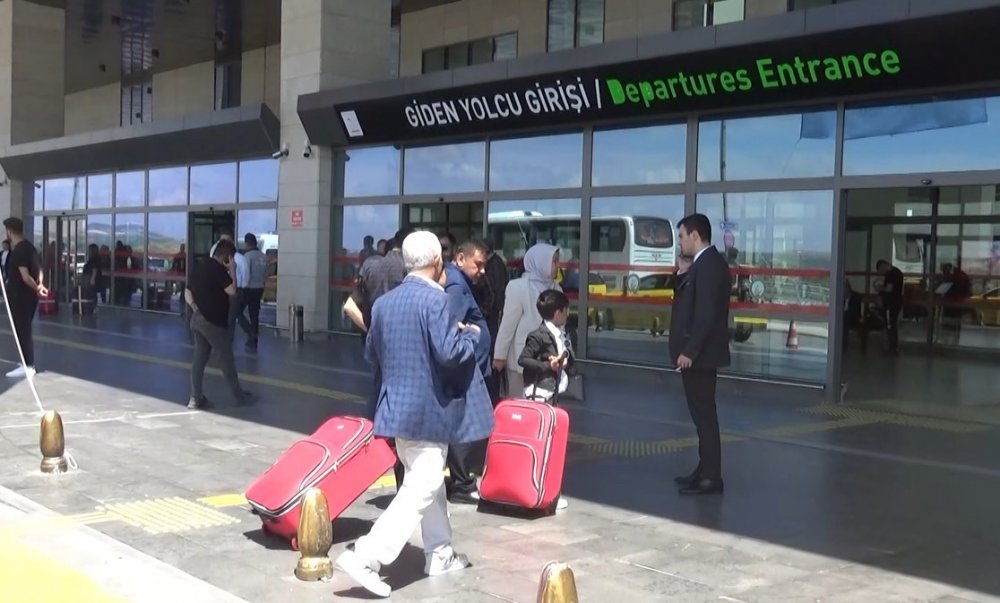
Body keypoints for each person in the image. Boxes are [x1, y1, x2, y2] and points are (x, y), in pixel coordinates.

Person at [335, 231, 493, 598]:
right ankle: (367, 556)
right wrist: (468, 335)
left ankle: (440, 553)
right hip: (428, 412)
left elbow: (372, 352)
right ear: (437, 262)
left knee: (429, 483)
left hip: (395, 410)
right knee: (421, 486)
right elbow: (450, 354)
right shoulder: (436, 302)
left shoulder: (384, 305)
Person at [669, 213, 730, 496]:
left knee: (705, 417)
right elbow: (688, 301)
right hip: (699, 354)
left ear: (695, 236)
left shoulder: (709, 265)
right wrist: (682, 272)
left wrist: (690, 351)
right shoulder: (701, 264)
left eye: (681, 236)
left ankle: (711, 476)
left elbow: (705, 314)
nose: (679, 241)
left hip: (701, 356)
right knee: (700, 416)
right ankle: (704, 468)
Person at [517, 288, 574, 512]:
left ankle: (545, 490)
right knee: (542, 444)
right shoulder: (538, 335)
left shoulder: (561, 333)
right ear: (558, 312)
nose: (567, 315)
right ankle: (537, 489)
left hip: (552, 393)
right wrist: (546, 366)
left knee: (550, 444)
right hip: (539, 395)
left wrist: (563, 359)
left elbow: (568, 353)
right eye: (566, 311)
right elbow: (524, 359)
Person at [442, 238, 490, 505]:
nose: (482, 270)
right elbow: (453, 326)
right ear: (461, 259)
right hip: (466, 369)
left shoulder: (459, 282)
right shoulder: (457, 286)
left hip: (472, 366)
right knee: (464, 424)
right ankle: (462, 483)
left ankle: (461, 479)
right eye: (478, 264)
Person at [184, 239, 253, 409]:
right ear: (227, 257)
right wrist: (233, 271)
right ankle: (240, 396)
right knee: (226, 360)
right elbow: (232, 291)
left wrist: (194, 306)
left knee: (199, 359)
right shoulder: (218, 269)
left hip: (198, 319)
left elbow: (187, 290)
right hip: (213, 323)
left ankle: (195, 397)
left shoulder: (200, 266)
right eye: (232, 258)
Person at [493, 243, 561, 398]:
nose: (558, 265)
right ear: (541, 261)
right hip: (521, 361)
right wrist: (499, 356)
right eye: (554, 261)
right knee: (519, 407)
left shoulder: (557, 289)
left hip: (548, 361)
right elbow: (508, 324)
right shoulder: (518, 287)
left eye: (557, 261)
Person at [2, 217, 46, 378]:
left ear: (10, 232)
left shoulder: (19, 250)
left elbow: (26, 276)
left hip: (20, 298)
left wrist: (36, 288)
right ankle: (25, 362)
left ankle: (28, 365)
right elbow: (38, 270)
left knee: (22, 331)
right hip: (27, 298)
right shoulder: (30, 247)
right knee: (23, 329)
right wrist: (40, 285)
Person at [241, 234, 268, 351]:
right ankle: (254, 337)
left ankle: (250, 332)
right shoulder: (263, 256)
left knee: (237, 311)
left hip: (249, 288)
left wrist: (242, 286)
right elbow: (266, 273)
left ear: (247, 243)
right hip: (260, 287)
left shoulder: (247, 256)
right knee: (254, 313)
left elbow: (246, 272)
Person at [875, 259, 904, 355]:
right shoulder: (897, 272)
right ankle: (893, 347)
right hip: (896, 302)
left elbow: (889, 288)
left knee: (890, 325)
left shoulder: (892, 274)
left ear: (883, 266)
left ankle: (891, 347)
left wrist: (880, 288)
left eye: (881, 271)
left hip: (891, 303)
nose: (882, 273)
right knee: (892, 324)